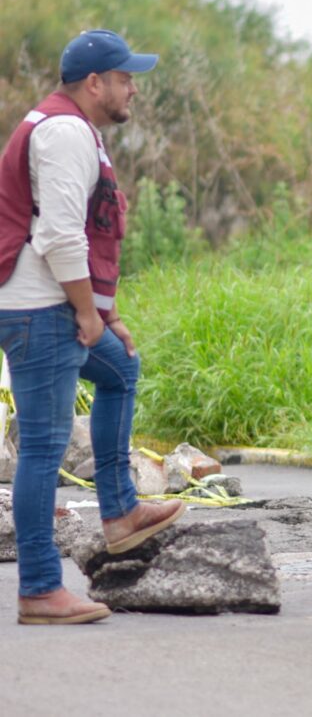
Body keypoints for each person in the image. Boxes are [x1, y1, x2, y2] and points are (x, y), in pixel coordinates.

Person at [0, 30, 185, 624]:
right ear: (94, 83)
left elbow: (85, 232)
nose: (134, 88)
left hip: (57, 306)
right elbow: (58, 234)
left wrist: (107, 316)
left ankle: (120, 513)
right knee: (44, 447)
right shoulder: (63, 133)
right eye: (126, 77)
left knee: (120, 365)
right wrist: (85, 312)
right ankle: (39, 589)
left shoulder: (76, 130)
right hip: (40, 310)